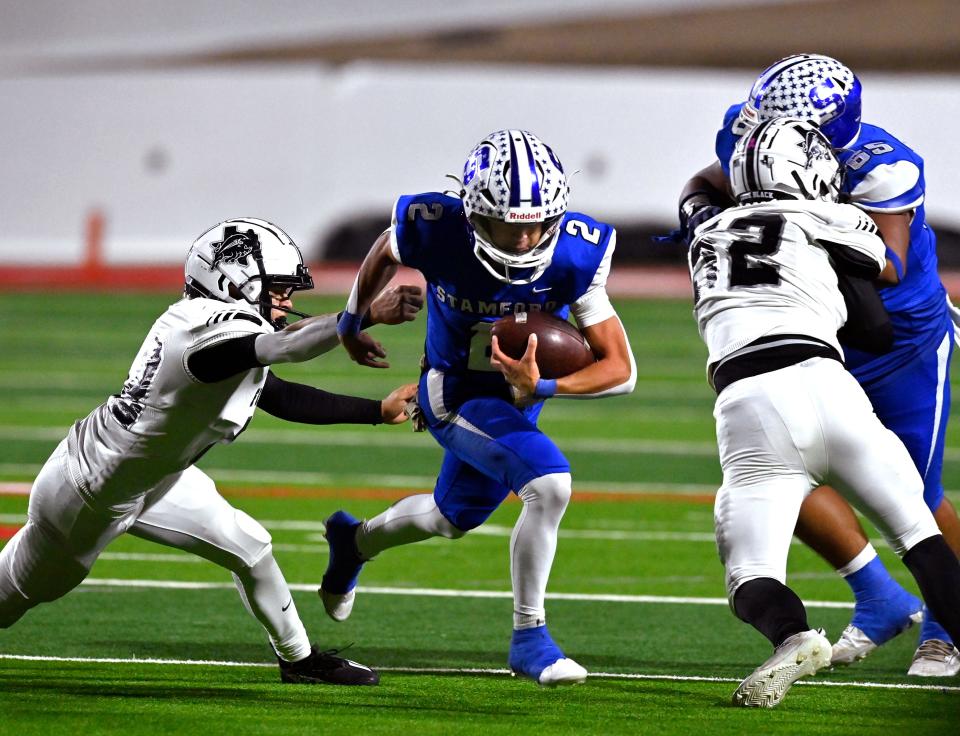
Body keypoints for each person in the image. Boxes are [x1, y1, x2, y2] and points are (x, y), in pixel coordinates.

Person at [0, 217, 424, 686]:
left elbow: (278, 395)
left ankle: (300, 661)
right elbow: (283, 347)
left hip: (156, 478)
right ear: (231, 280)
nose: (286, 300)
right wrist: (359, 316)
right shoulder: (202, 333)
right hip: (88, 494)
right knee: (12, 599)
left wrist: (376, 410)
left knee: (250, 546)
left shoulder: (223, 334)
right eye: (278, 288)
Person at [320, 129, 636, 686]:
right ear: (473, 215)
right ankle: (529, 637)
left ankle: (354, 541)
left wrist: (539, 390)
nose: (522, 240)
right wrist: (352, 319)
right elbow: (386, 249)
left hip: (516, 399)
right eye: (506, 226)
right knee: (550, 483)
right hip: (451, 390)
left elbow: (620, 369)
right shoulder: (435, 228)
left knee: (450, 518)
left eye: (537, 225)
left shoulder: (574, 254)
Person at [677, 53, 960, 677]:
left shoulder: (884, 166)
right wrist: (707, 217)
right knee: (793, 473)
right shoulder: (755, 137)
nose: (757, 139)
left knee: (916, 487)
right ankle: (879, 597)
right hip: (803, 321)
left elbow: (886, 263)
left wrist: (791, 230)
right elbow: (703, 184)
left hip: (895, 332)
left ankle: (943, 631)